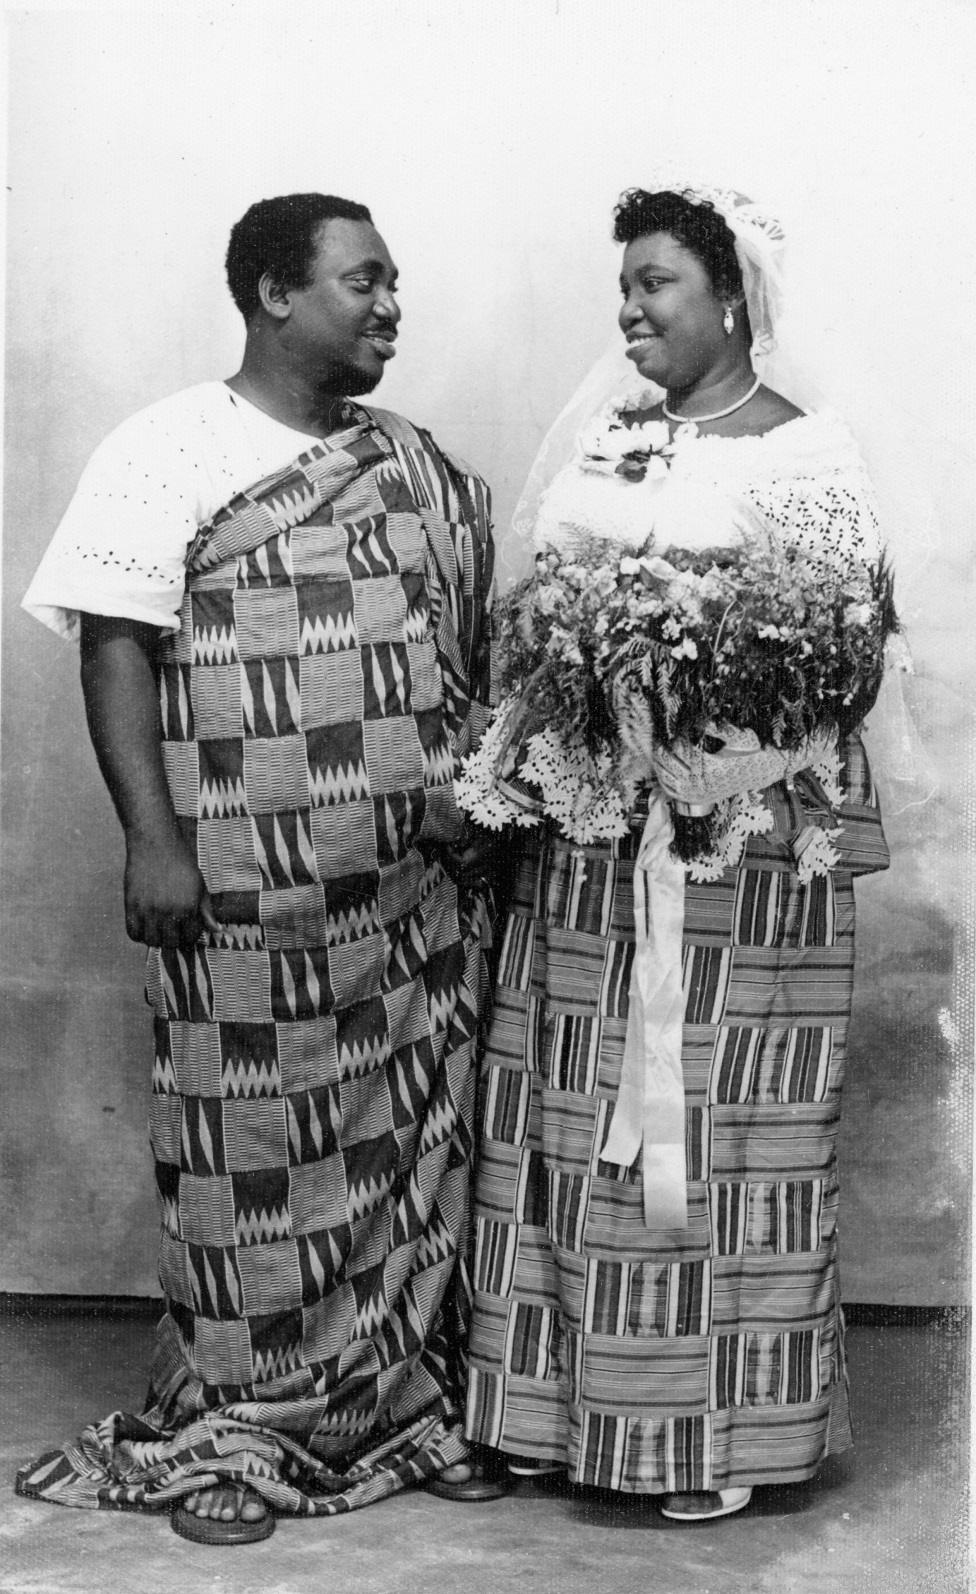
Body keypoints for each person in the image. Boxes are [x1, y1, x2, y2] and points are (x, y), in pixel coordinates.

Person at [17, 192, 506, 1542]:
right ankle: (238, 1422)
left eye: (396, 280)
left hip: (402, 894)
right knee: (244, 1155)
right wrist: (152, 835)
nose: (391, 305)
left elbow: (458, 652)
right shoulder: (166, 448)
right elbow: (112, 641)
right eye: (365, 281)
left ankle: (401, 1409)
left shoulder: (411, 464)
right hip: (238, 895)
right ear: (273, 295)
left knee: (408, 1150)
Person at [462, 185, 892, 1520]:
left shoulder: (802, 455)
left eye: (655, 283)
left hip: (737, 854)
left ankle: (712, 1440)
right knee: (562, 1106)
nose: (631, 310)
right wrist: (583, 685)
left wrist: (704, 723)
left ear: (730, 295)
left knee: (722, 1121)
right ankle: (543, 1416)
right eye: (625, 288)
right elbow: (542, 610)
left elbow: (850, 656)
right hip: (595, 833)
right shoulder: (609, 442)